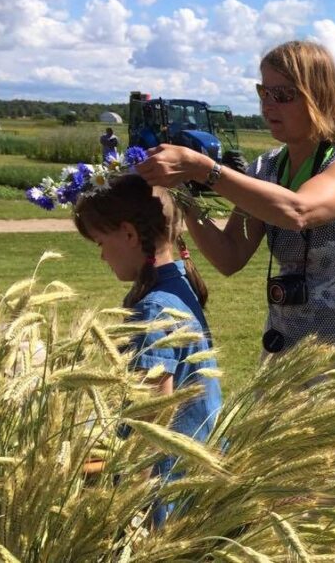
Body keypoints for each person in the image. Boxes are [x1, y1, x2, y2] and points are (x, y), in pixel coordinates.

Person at [136, 40, 335, 506]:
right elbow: (230, 254)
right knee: (281, 498)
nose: (269, 105)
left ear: (319, 95)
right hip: (284, 352)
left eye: (284, 94)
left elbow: (299, 210)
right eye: (263, 92)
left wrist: (205, 169)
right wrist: (186, 194)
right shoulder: (267, 169)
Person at [73, 174, 222, 528]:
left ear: (128, 233)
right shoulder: (178, 284)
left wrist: (134, 506)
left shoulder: (154, 309)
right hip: (193, 475)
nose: (101, 256)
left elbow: (153, 419)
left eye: (99, 242)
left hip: (167, 492)